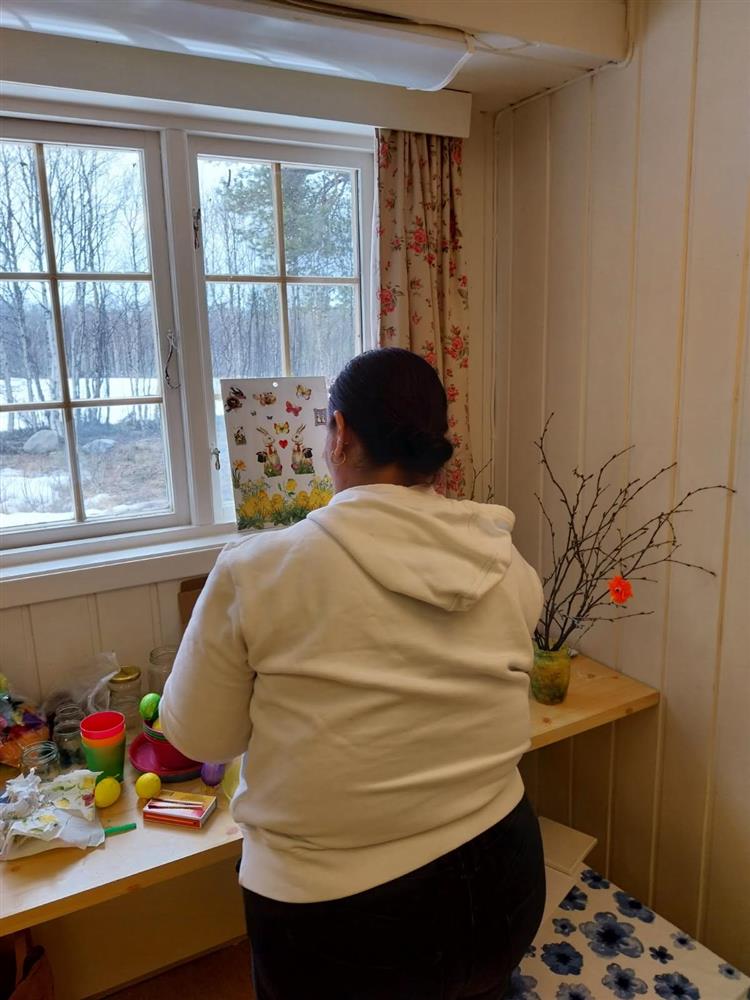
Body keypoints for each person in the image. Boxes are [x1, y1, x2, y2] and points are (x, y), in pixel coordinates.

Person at [160, 348, 546, 1000]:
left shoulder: (259, 570)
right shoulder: (503, 559)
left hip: (340, 919)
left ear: (339, 433)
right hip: (502, 880)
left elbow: (201, 738)